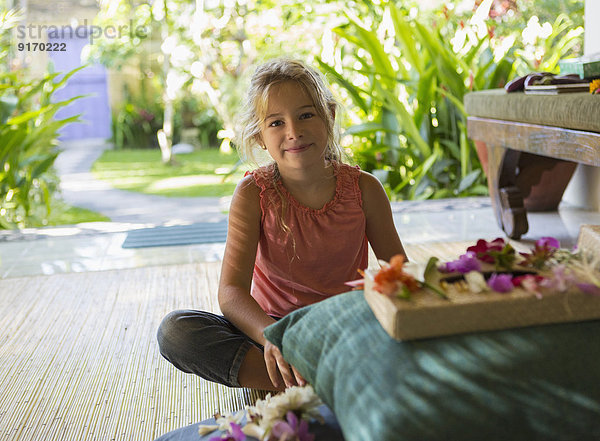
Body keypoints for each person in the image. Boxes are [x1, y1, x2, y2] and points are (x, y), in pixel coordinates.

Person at [157, 58, 406, 391]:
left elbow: (400, 273)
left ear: (329, 117)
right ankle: (319, 380)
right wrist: (273, 338)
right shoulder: (252, 194)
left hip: (345, 326)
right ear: (260, 136)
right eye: (276, 122)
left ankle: (311, 379)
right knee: (176, 331)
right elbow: (231, 294)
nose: (293, 132)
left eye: (306, 115)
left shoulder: (364, 189)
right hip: (272, 332)